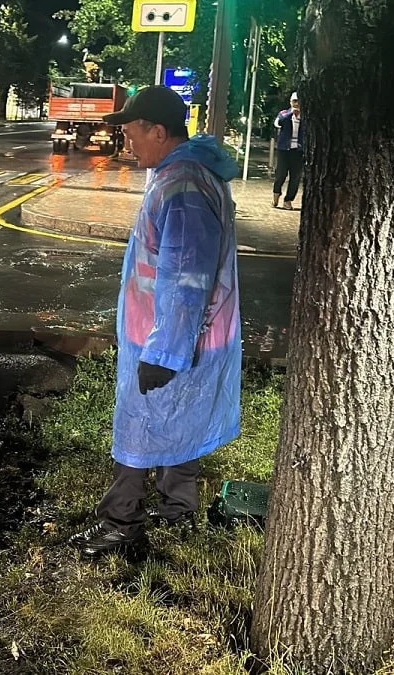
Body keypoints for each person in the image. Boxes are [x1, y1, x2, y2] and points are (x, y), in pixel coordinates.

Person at [69, 86, 242, 557]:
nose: (127, 144)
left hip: (168, 337)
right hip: (189, 334)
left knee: (140, 424)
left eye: (131, 134)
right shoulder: (188, 172)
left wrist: (164, 352)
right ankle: (177, 511)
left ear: (158, 131)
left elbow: (186, 275)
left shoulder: (182, 184)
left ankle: (120, 521)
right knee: (179, 419)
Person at [273, 92, 304, 209]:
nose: (297, 103)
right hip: (284, 150)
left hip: (298, 151)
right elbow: (278, 122)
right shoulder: (284, 113)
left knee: (295, 177)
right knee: (280, 175)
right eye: (294, 101)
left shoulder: (305, 117)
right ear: (290, 102)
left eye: (299, 101)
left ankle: (288, 200)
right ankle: (276, 193)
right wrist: (292, 112)